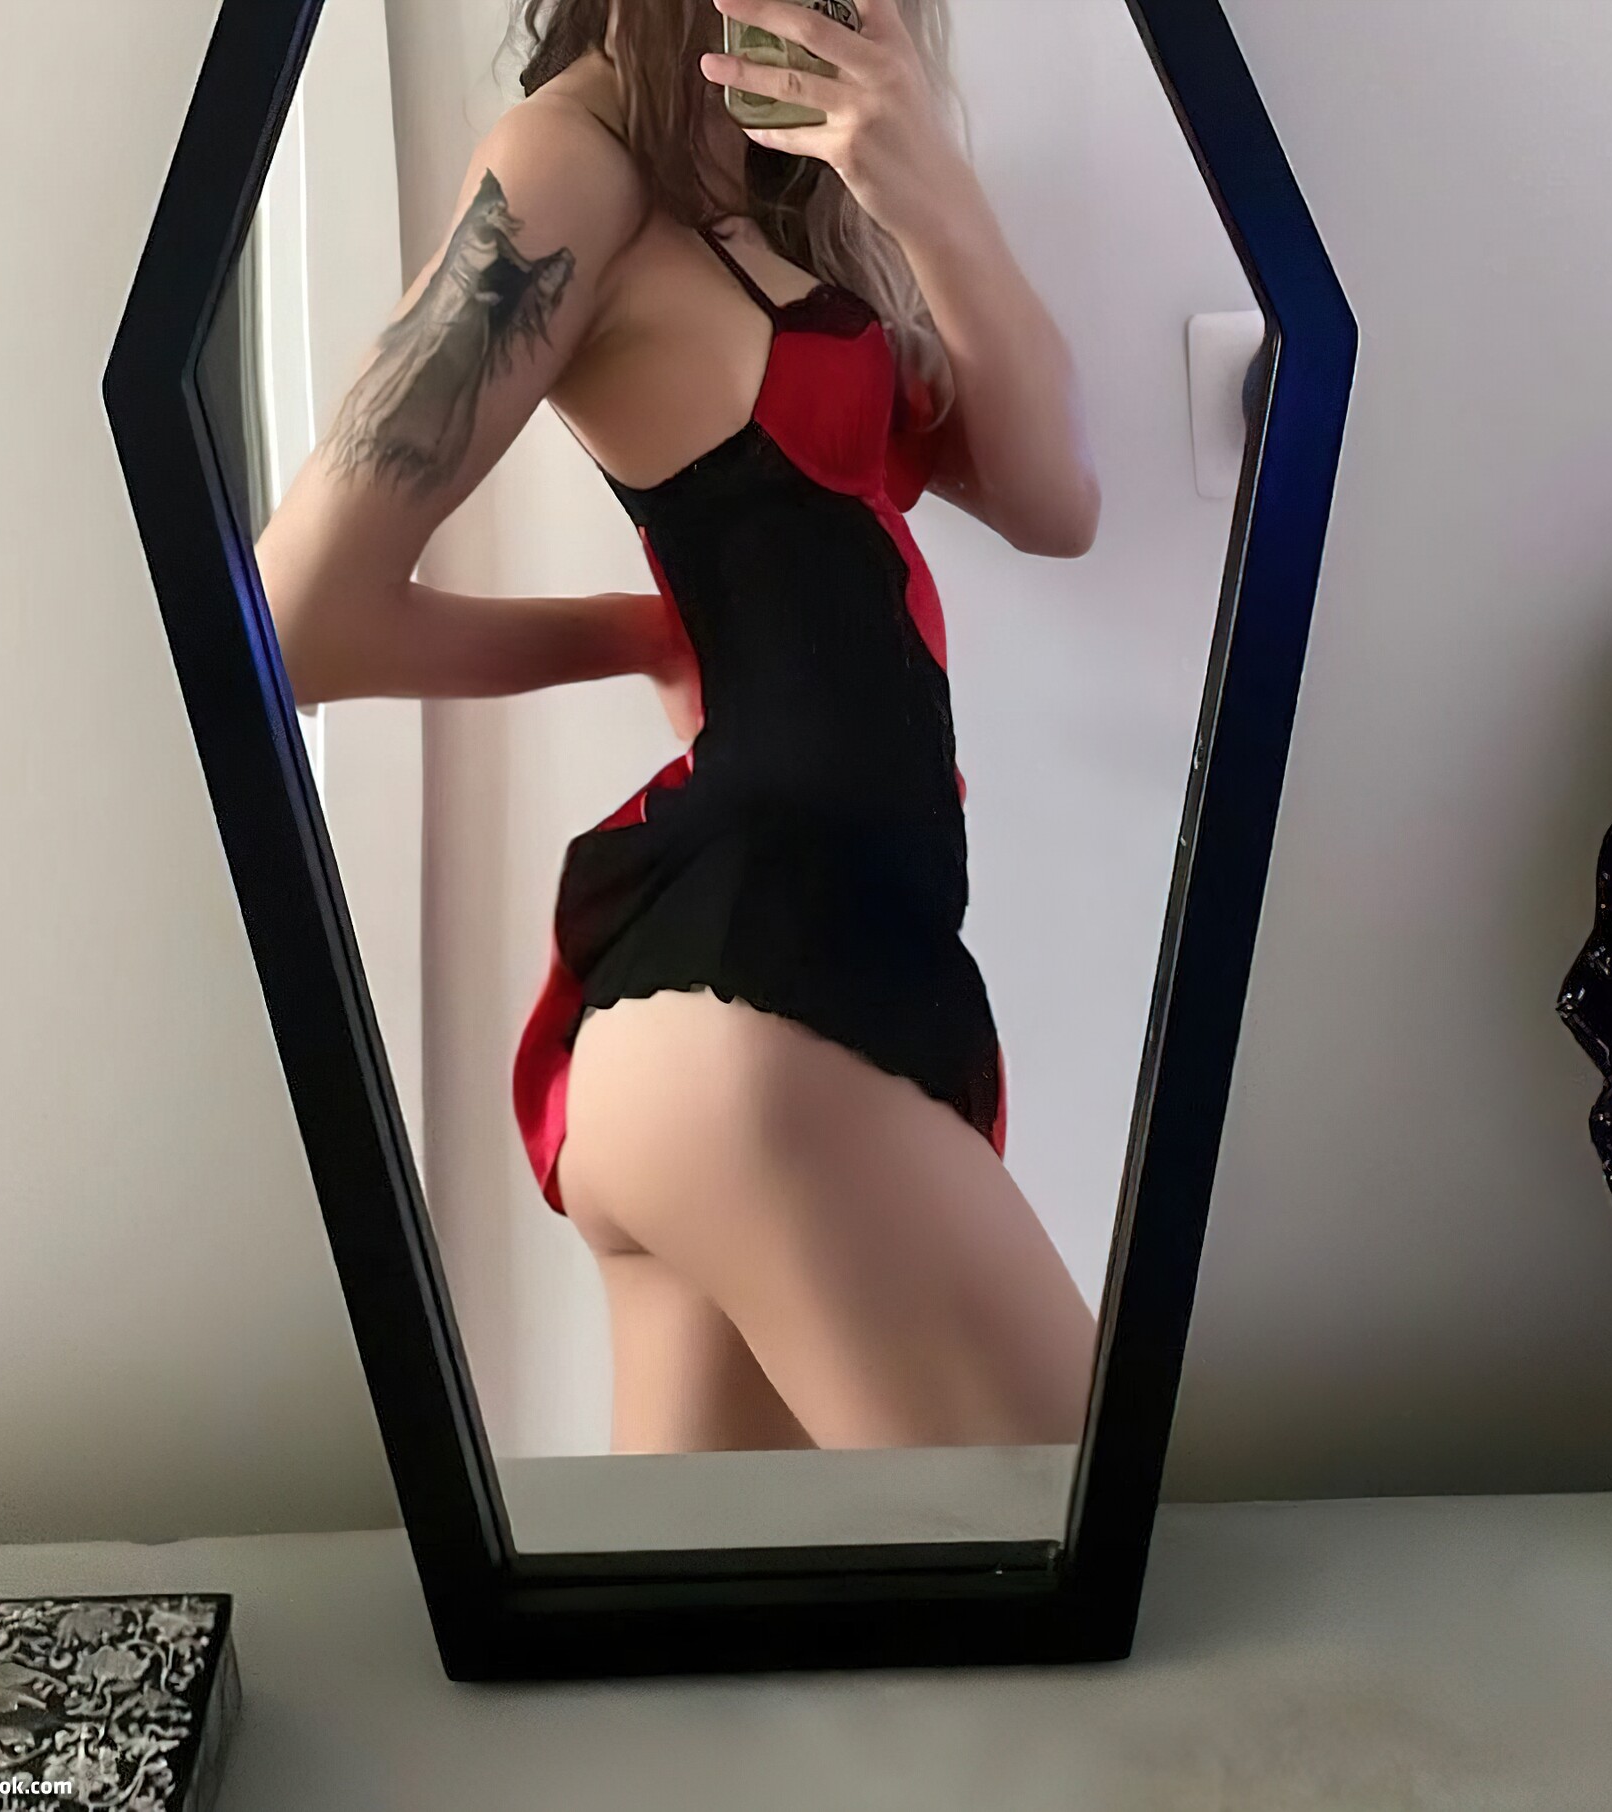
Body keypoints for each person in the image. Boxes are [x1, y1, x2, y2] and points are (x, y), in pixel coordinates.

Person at [255, 0, 1102, 1457]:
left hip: (780, 1013)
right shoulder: (568, 165)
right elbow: (295, 621)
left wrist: (928, 187)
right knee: (1098, 1545)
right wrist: (630, 629)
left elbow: (1054, 501)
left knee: (731, 1611)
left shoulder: (779, 194)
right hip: (755, 1011)